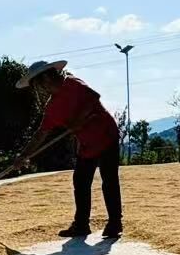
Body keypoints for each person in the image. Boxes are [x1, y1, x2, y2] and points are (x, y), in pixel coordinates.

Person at [17, 60, 123, 239]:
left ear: (46, 78)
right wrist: (23, 155)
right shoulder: (52, 107)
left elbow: (93, 98)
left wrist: (78, 119)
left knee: (109, 179)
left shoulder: (72, 83)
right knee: (80, 181)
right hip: (87, 144)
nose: (39, 90)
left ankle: (115, 223)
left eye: (38, 85)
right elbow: (41, 134)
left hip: (106, 135)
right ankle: (81, 225)